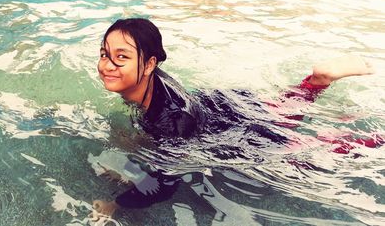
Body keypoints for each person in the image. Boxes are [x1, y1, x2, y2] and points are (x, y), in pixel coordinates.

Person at [91, 18, 377, 220]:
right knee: (278, 110)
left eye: (121, 57)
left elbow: (164, 186)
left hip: (239, 134)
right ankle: (316, 81)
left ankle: (372, 139)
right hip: (223, 108)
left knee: (309, 155)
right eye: (105, 54)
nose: (107, 65)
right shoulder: (145, 82)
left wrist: (115, 204)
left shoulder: (170, 123)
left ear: (150, 63)